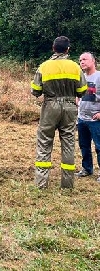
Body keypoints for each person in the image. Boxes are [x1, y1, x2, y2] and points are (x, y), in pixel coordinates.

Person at [31, 36, 87, 189]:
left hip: (50, 106)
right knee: (68, 143)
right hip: (69, 106)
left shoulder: (44, 66)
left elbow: (35, 91)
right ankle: (67, 185)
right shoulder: (75, 67)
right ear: (68, 49)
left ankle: (41, 184)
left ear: (53, 48)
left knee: (44, 143)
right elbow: (82, 90)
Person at [74, 52, 100, 179]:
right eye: (80, 60)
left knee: (99, 146)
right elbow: (78, 94)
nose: (82, 62)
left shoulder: (99, 77)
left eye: (84, 59)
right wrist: (77, 101)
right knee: (84, 145)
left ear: (93, 61)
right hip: (82, 118)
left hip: (96, 119)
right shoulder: (81, 77)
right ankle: (87, 169)